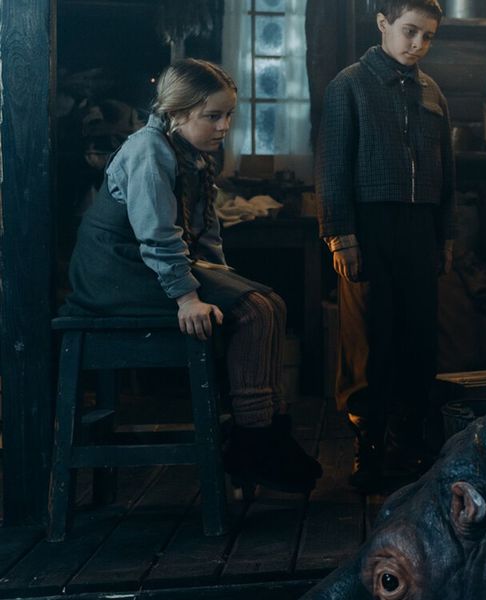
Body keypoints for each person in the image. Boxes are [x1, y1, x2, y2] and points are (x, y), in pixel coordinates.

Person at [61, 58, 321, 492]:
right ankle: (254, 441)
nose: (224, 127)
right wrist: (187, 297)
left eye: (228, 115)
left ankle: (266, 431)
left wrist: (225, 281)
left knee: (269, 302)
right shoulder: (149, 150)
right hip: (114, 269)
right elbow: (157, 234)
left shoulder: (192, 154)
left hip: (143, 263)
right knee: (254, 312)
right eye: (212, 116)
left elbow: (205, 232)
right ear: (177, 113)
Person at [317, 0, 455, 490]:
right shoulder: (349, 85)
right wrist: (341, 236)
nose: (418, 44)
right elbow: (332, 166)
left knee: (418, 336)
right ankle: (368, 448)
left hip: (420, 227)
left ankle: (409, 443)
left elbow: (446, 170)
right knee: (368, 338)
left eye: (428, 36)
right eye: (410, 31)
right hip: (368, 227)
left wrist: (445, 234)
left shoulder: (432, 91)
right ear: (383, 24)